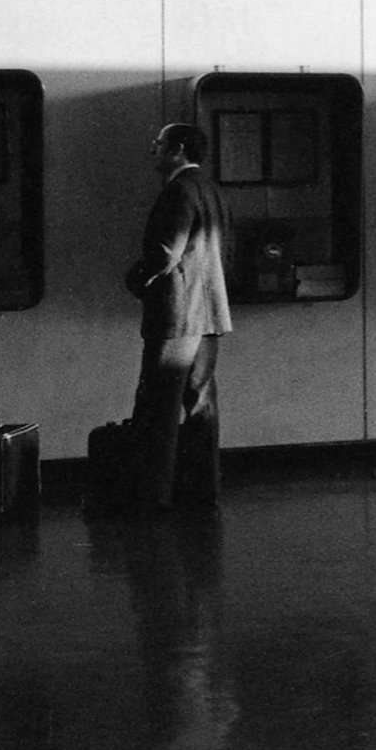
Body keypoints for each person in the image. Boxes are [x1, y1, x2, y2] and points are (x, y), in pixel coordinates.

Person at [124, 122, 233, 512]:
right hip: (210, 313)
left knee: (161, 406)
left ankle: (153, 498)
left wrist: (136, 280)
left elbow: (166, 252)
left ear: (179, 149)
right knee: (200, 403)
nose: (152, 149)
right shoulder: (213, 189)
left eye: (159, 144)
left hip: (177, 315)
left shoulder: (178, 191)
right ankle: (204, 492)